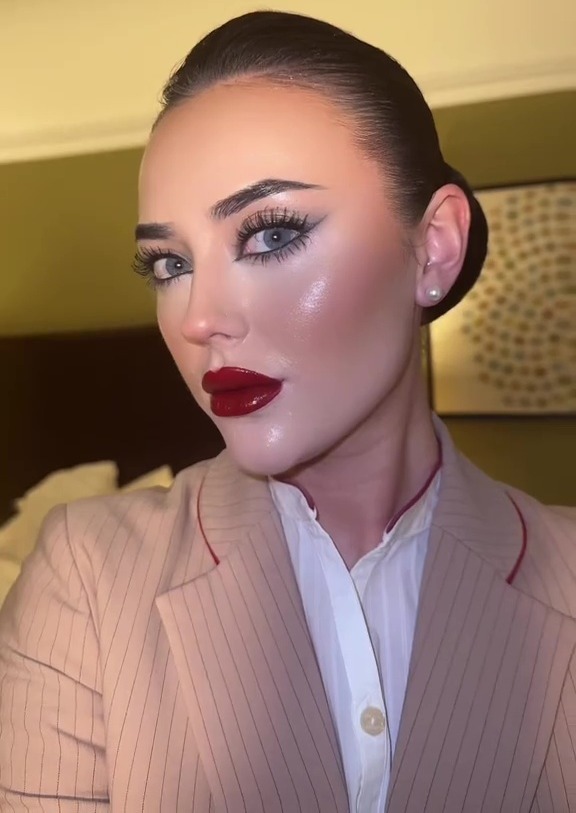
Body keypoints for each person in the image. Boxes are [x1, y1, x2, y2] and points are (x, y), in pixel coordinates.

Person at [1, 10, 575, 812]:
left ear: (435, 247)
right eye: (168, 263)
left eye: (270, 235)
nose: (200, 317)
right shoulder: (86, 576)